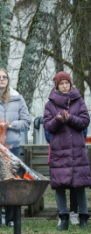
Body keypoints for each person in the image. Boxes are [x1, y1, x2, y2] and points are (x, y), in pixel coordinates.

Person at [43, 71, 91, 230]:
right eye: (61, 84)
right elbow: (48, 126)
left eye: (66, 83)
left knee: (80, 185)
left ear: (70, 84)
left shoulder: (79, 101)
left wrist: (70, 118)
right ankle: (63, 218)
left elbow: (85, 121)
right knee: (60, 185)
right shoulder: (50, 104)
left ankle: (83, 217)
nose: (64, 86)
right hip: (59, 151)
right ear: (56, 86)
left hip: (77, 150)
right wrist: (57, 120)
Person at [0, 68, 31, 229]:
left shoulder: (17, 98)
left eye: (4, 77)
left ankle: (12, 218)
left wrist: (11, 124)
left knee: (12, 182)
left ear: (8, 80)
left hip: (13, 146)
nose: (1, 79)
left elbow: (27, 122)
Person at [44, 129, 87, 226]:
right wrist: (60, 143)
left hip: (75, 151)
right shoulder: (53, 114)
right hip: (58, 152)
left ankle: (74, 213)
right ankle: (62, 216)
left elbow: (83, 131)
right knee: (60, 184)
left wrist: (73, 142)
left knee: (76, 184)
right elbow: (48, 133)